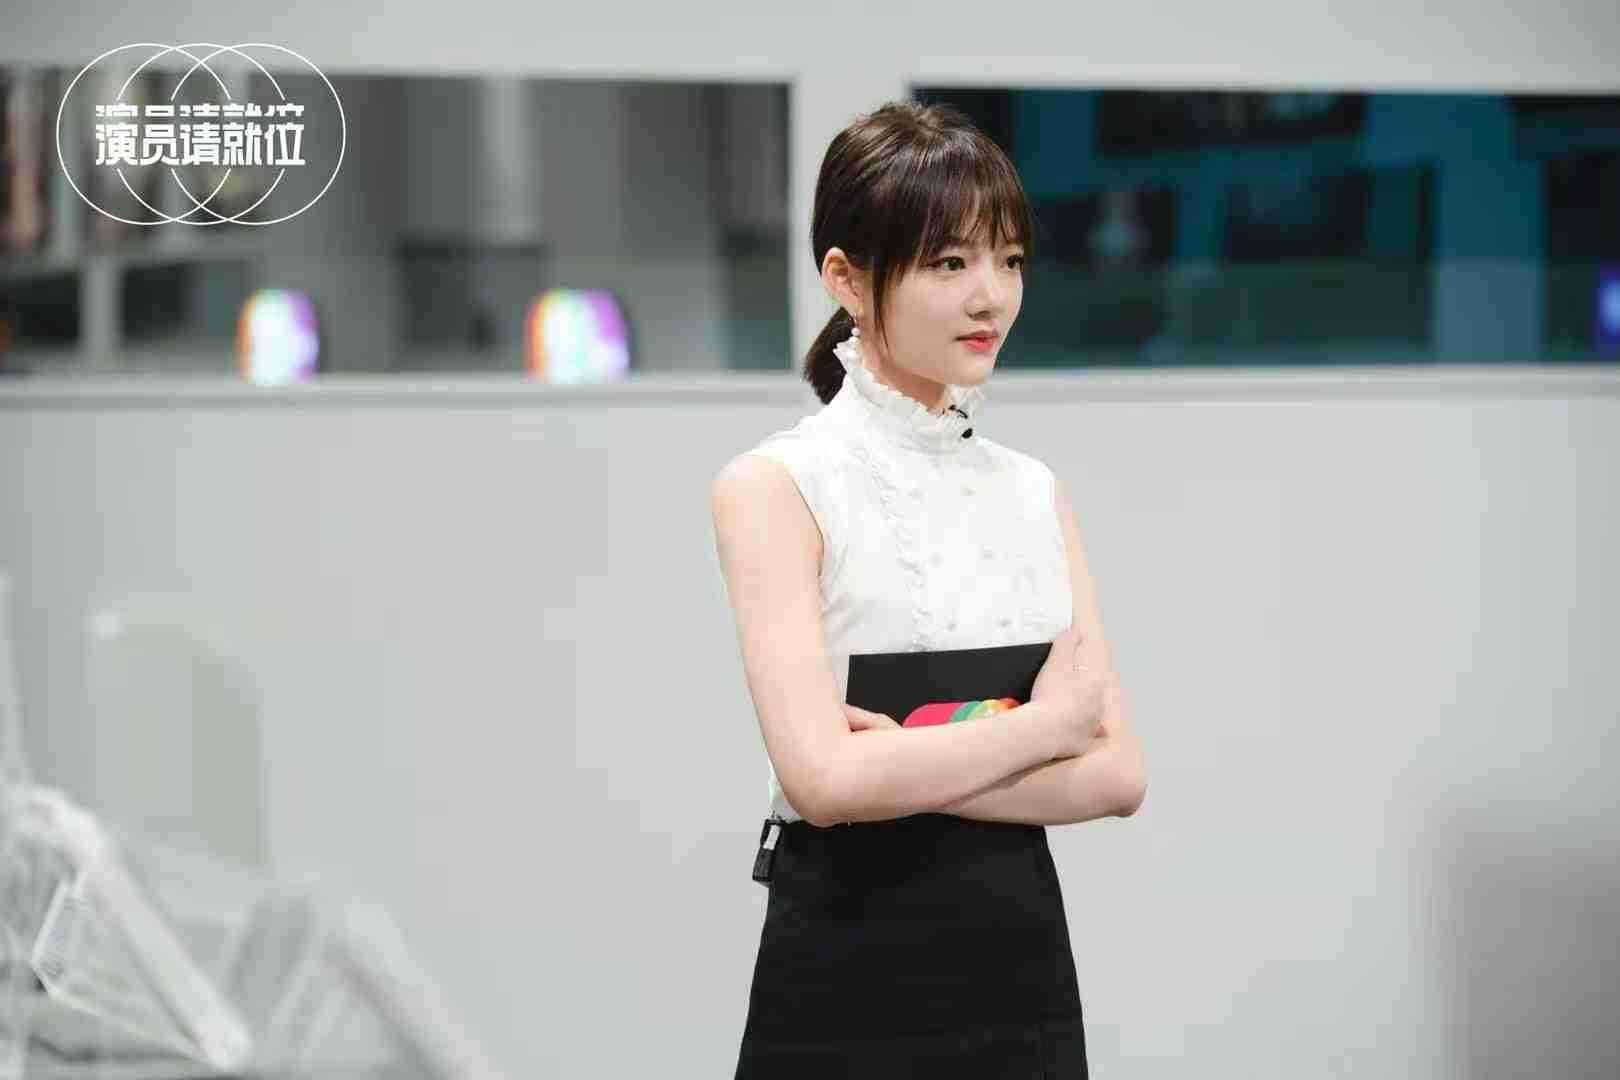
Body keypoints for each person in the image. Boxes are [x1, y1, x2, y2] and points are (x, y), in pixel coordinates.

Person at [710, 100, 1148, 1078]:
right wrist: (1043, 727)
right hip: (844, 970)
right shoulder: (774, 487)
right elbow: (823, 783)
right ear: (847, 279)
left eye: (1010, 260)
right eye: (950, 264)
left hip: (1019, 965)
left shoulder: (1032, 491)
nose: (991, 296)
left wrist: (895, 767)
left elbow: (1119, 775)